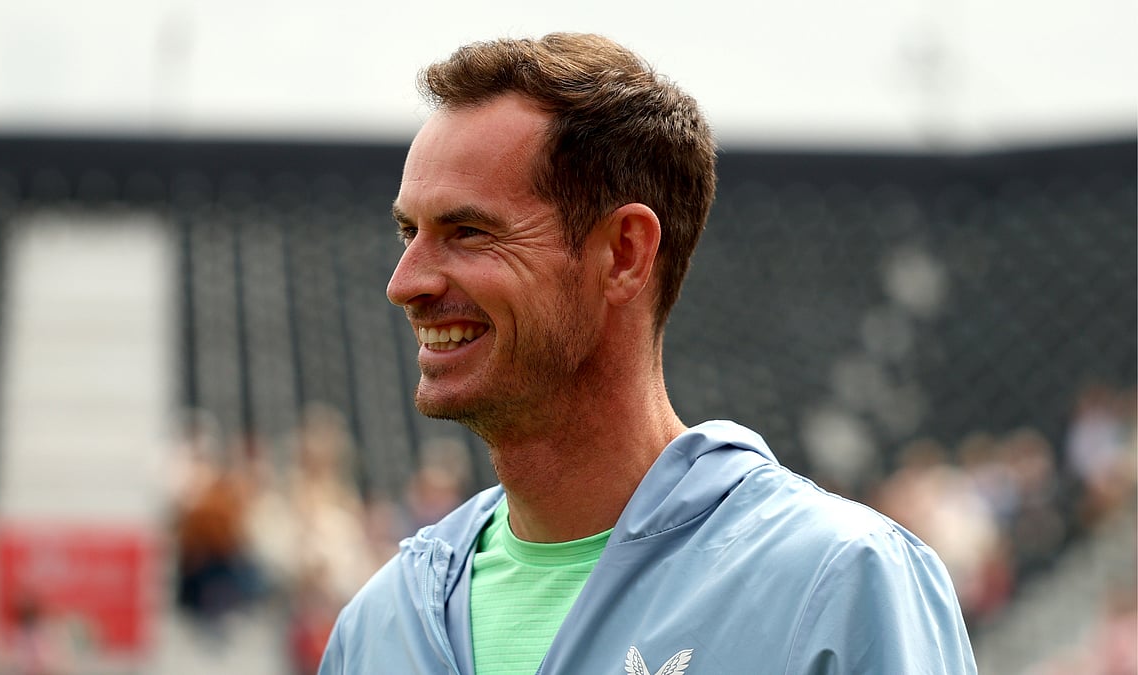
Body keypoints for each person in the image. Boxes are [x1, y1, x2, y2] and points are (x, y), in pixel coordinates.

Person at [319, 32, 977, 674]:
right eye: (410, 231)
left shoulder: (839, 584)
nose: (405, 283)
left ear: (625, 253)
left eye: (467, 231)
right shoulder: (379, 623)